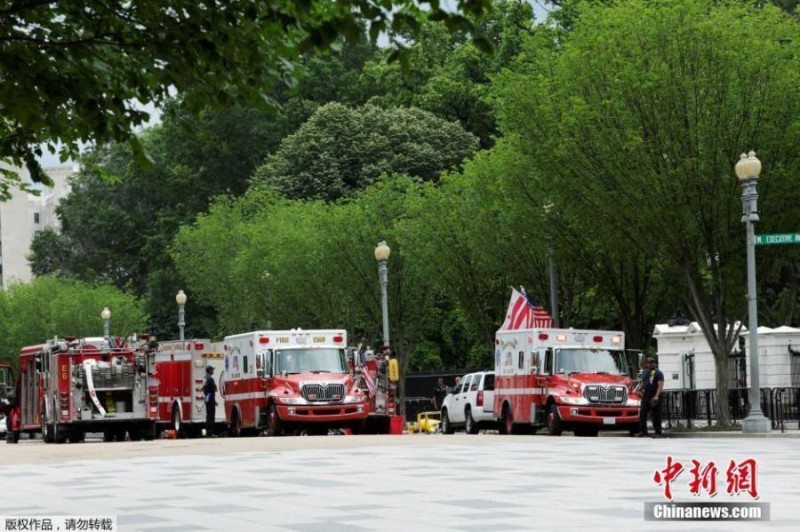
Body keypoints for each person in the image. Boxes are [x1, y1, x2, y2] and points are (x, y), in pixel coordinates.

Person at [635, 357, 664, 438]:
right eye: (649, 363)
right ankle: (643, 432)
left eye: (652, 362)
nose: (651, 364)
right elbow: (644, 382)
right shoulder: (645, 372)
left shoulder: (658, 372)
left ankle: (658, 432)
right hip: (646, 395)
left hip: (654, 395)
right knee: (643, 414)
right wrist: (639, 389)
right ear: (646, 364)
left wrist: (657, 396)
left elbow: (660, 384)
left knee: (656, 415)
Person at [203, 365, 217, 437]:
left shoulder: (205, 378)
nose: (213, 371)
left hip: (207, 398)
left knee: (208, 416)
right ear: (210, 371)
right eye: (212, 370)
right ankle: (211, 432)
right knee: (211, 416)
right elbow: (215, 388)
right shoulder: (211, 379)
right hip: (211, 399)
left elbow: (204, 389)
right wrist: (213, 401)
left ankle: (208, 431)